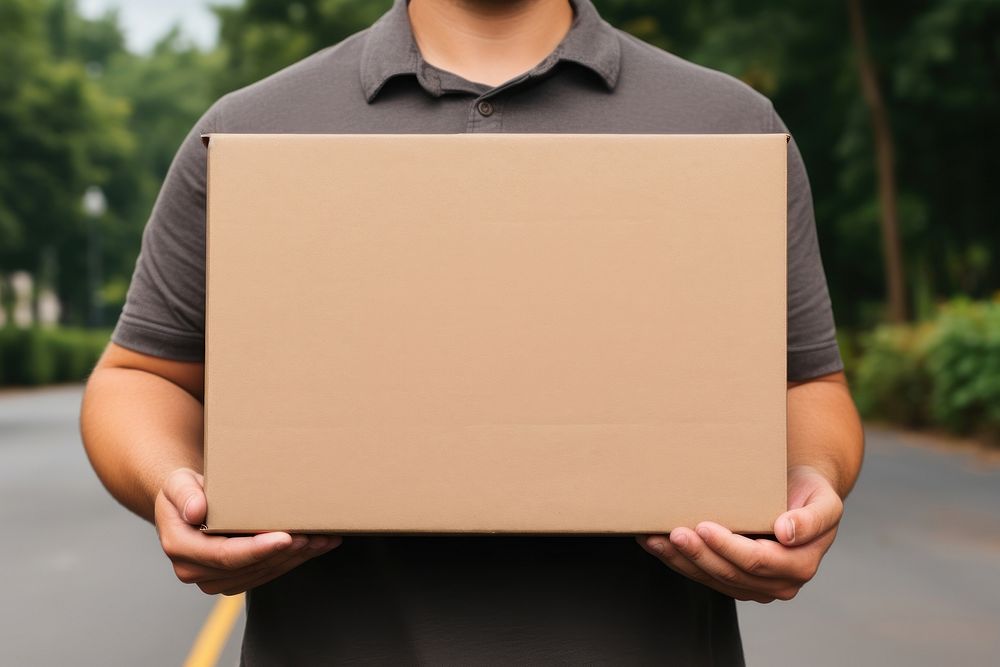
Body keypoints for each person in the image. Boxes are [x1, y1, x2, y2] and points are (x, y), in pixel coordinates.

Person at [80, 0, 865, 664]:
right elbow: (140, 375)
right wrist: (170, 484)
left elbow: (808, 384)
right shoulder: (250, 131)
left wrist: (811, 480)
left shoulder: (727, 126)